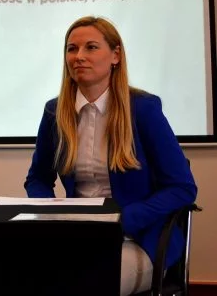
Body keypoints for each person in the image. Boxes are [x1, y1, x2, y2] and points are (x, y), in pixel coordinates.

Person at [24, 15, 197, 295]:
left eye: (91, 47)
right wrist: (50, 212)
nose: (79, 56)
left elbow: (182, 188)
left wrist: (124, 220)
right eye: (72, 49)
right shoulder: (54, 112)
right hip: (75, 235)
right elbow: (38, 178)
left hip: (137, 238)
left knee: (85, 281)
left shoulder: (143, 109)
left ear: (115, 55)